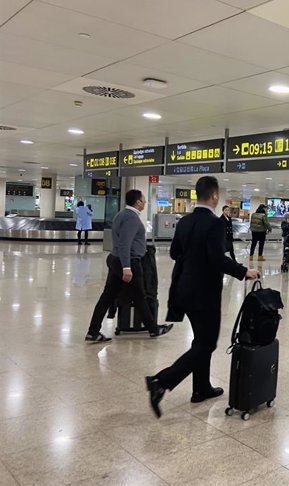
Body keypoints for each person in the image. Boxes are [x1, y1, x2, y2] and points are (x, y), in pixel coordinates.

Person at [145, 176, 260, 418]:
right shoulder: (215, 224)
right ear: (215, 196)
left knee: (200, 340)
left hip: (183, 290)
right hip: (204, 293)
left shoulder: (185, 221)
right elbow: (217, 259)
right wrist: (244, 272)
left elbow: (176, 252)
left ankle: (201, 388)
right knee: (207, 343)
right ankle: (161, 381)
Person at [85, 189, 173, 342]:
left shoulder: (121, 214)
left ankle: (93, 331)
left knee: (108, 297)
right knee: (139, 297)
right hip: (128, 261)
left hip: (116, 259)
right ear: (138, 202)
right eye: (143, 200)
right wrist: (127, 267)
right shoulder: (131, 218)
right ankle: (153, 329)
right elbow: (125, 244)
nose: (145, 203)